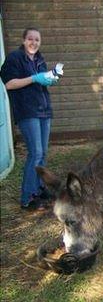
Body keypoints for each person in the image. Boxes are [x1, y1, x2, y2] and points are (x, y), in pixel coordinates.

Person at [0, 27, 57, 210]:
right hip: (27, 111)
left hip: (43, 110)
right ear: (24, 40)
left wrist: (49, 78)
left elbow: (40, 80)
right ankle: (27, 198)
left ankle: (39, 189)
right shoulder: (14, 58)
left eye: (37, 40)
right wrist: (34, 78)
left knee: (43, 153)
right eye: (30, 39)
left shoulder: (39, 59)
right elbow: (9, 84)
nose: (34, 43)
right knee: (35, 153)